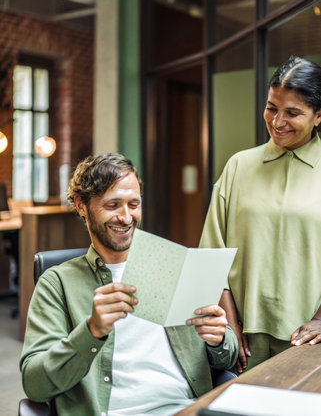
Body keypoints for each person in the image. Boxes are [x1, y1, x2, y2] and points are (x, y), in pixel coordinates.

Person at [20, 153, 238, 416]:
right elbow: (36, 385)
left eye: (134, 204)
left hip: (185, 410)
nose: (126, 217)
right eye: (112, 205)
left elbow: (227, 358)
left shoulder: (173, 266)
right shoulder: (57, 284)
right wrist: (91, 331)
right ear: (81, 205)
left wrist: (218, 339)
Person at [199, 55, 321, 374]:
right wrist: (230, 325)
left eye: (293, 113)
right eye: (271, 107)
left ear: (319, 115)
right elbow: (212, 253)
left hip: (310, 341)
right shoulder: (238, 165)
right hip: (243, 340)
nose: (277, 121)